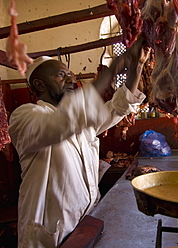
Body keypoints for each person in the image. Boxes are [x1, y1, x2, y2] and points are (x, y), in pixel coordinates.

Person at [8, 37, 149, 247]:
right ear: (39, 85)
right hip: (50, 235)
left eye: (71, 75)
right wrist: (110, 71)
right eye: (61, 75)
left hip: (86, 226)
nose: (71, 80)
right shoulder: (26, 116)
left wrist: (138, 65)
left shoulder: (82, 122)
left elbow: (118, 106)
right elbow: (60, 125)